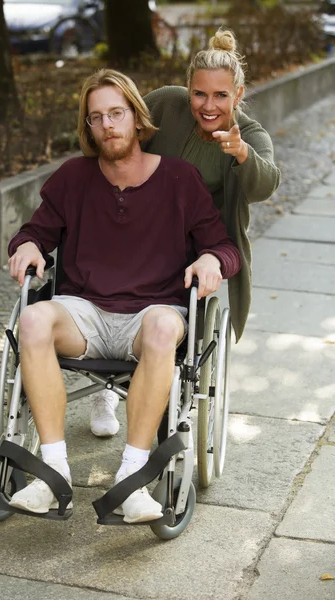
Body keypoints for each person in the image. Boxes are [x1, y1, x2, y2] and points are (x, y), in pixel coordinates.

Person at [6, 68, 241, 523]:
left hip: (153, 313)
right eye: (96, 117)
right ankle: (52, 472)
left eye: (116, 113)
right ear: (88, 127)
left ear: (137, 117)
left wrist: (213, 261)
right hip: (85, 313)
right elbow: (33, 233)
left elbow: (223, 246)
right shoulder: (72, 178)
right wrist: (28, 245)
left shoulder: (180, 179)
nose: (107, 125)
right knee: (32, 320)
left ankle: (132, 480)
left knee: (160, 328)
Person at [93, 28, 281, 433]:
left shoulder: (249, 135)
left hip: (197, 242)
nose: (208, 105)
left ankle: (164, 377)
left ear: (239, 94)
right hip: (140, 228)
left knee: (176, 300)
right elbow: (122, 134)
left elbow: (267, 183)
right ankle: (107, 387)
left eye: (220, 96)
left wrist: (242, 155)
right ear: (188, 89)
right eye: (200, 94)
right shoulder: (166, 103)